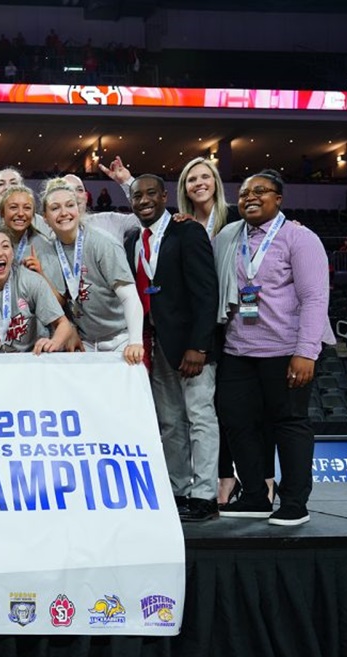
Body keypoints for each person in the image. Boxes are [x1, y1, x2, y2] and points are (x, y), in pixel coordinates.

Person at [214, 170, 332, 526]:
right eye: (245, 192)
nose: (250, 197)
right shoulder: (229, 237)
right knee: (238, 423)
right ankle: (254, 495)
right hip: (238, 350)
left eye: (260, 191)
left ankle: (295, 501)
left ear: (279, 199)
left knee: (290, 424)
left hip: (286, 349)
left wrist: (306, 351)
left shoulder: (300, 237)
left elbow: (315, 297)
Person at [124, 174, 220, 522]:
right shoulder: (133, 238)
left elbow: (207, 292)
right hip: (156, 343)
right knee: (169, 422)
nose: (144, 200)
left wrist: (199, 345)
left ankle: (205, 495)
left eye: (151, 193)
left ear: (165, 197)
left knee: (200, 417)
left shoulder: (187, 231)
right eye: (137, 196)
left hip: (190, 346)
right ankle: (179, 490)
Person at [28, 179, 142, 361]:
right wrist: (70, 329)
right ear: (45, 218)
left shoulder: (103, 243)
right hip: (85, 340)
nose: (64, 213)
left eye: (70, 205)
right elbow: (62, 301)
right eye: (55, 208)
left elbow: (129, 295)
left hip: (119, 337)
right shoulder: (49, 250)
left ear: (78, 209)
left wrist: (135, 341)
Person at [0, 223, 72, 354]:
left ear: (12, 254)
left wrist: (54, 342)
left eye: (5, 246)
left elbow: (63, 324)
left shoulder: (31, 281)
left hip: (31, 358)